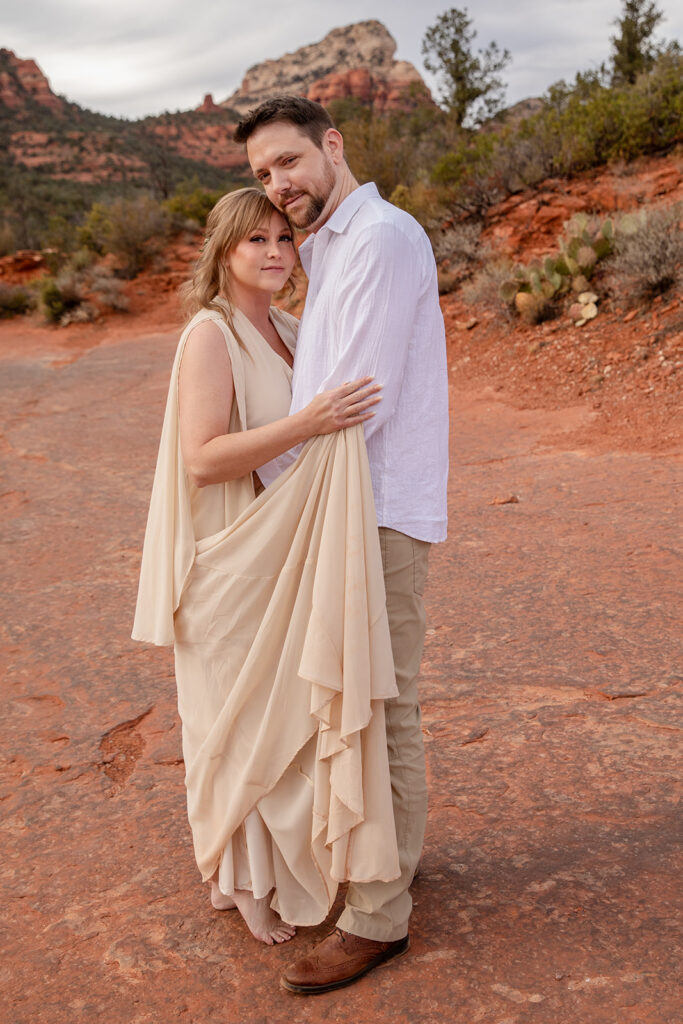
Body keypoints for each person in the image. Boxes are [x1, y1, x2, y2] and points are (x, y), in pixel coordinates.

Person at [132, 187, 401, 946]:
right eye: (255, 240)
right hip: (230, 555)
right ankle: (242, 882)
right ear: (224, 251)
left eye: (284, 237)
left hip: (281, 553)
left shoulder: (290, 328)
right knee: (231, 720)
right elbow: (202, 458)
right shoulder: (209, 335)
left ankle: (251, 868)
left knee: (276, 721)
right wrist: (310, 422)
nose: (275, 251)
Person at [234, 96, 449, 992]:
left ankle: (377, 916)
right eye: (261, 176)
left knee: (379, 707)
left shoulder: (377, 241)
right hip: (347, 506)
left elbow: (353, 404)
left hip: (373, 508)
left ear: (332, 146)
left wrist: (272, 510)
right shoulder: (329, 251)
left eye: (288, 162)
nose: (279, 186)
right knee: (367, 701)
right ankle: (389, 858)